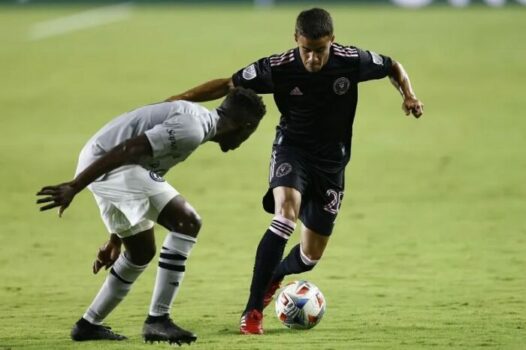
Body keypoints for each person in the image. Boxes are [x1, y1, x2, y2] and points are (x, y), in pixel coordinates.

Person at [165, 8, 424, 335]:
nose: (314, 58)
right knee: (285, 216)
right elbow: (228, 84)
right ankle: (253, 310)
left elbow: (393, 66)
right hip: (292, 150)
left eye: (320, 50)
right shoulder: (278, 68)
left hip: (332, 164)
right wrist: (177, 100)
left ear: (332, 40)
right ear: (295, 40)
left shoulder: (350, 60)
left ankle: (276, 276)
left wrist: (409, 96)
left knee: (310, 255)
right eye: (307, 50)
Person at [36, 87, 266, 344]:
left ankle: (88, 324)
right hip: (109, 162)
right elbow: (128, 149)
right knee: (187, 222)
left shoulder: (195, 121)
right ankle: (158, 320)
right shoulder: (191, 130)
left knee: (141, 251)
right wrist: (75, 186)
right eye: (250, 133)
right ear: (245, 126)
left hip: (104, 161)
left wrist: (115, 239)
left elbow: (146, 167)